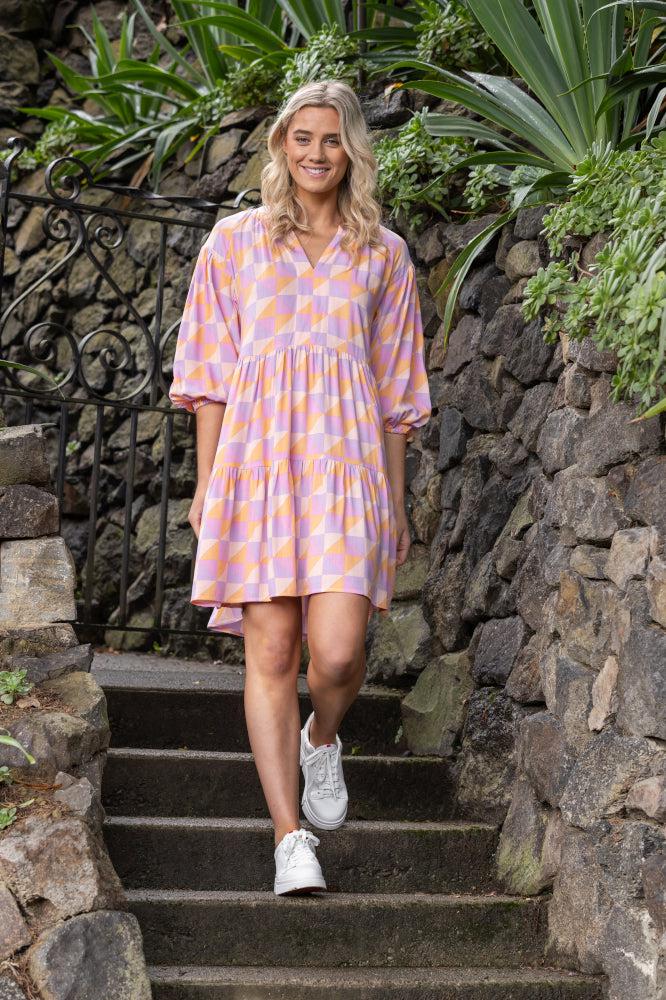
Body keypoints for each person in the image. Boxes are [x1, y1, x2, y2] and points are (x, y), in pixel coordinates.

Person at [168, 80, 432, 896]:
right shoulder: (234, 243)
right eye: (303, 137)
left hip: (347, 473)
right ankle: (290, 838)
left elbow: (396, 394)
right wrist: (208, 485)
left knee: (340, 651)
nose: (317, 153)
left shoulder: (383, 254)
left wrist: (394, 501)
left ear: (354, 149)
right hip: (257, 471)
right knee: (274, 651)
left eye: (333, 138)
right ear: (282, 145)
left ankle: (322, 738)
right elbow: (210, 376)